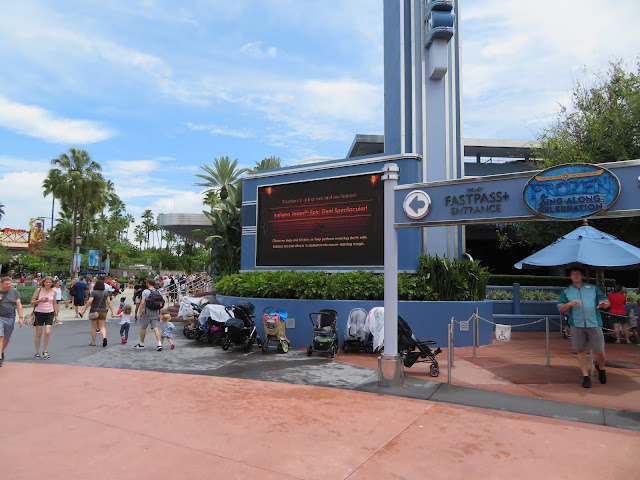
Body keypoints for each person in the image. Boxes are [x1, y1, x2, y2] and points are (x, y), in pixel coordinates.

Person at [558, 266, 610, 388]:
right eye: (572, 274)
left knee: (600, 351)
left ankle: (601, 368)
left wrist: (603, 304)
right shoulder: (566, 291)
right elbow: (560, 308)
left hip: (594, 323)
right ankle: (585, 376)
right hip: (576, 324)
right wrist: (569, 304)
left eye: (577, 274)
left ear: (582, 276)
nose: (575, 276)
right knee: (580, 350)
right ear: (570, 276)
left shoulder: (593, 289)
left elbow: (606, 302)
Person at [30, 276, 59, 359]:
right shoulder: (39, 290)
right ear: (44, 282)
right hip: (39, 313)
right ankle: (37, 352)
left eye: (50, 282)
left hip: (49, 313)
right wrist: (39, 300)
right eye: (47, 282)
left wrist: (56, 315)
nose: (48, 284)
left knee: (47, 332)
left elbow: (54, 304)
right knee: (39, 334)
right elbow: (32, 302)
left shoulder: (53, 291)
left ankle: (45, 351)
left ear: (52, 283)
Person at [80, 278, 115, 347]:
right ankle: (104, 337)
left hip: (94, 311)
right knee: (102, 326)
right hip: (103, 311)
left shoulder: (94, 292)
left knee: (94, 327)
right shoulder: (105, 293)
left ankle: (93, 342)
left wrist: (84, 310)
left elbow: (90, 301)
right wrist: (112, 312)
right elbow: (109, 302)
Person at [0, 277, 25, 366]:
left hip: (10, 318)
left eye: (10, 284)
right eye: (7, 284)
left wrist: (21, 317)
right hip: (0, 317)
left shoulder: (14, 292)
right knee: (1, 336)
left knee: (6, 338)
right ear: (1, 284)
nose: (9, 285)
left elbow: (19, 305)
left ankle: (1, 351)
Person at [133, 278, 164, 351]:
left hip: (147, 312)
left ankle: (142, 343)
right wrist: (160, 313)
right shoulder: (158, 292)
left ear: (148, 283)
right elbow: (160, 304)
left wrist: (140, 313)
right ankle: (159, 344)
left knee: (143, 328)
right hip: (155, 312)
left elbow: (142, 303)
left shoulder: (145, 292)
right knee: (155, 328)